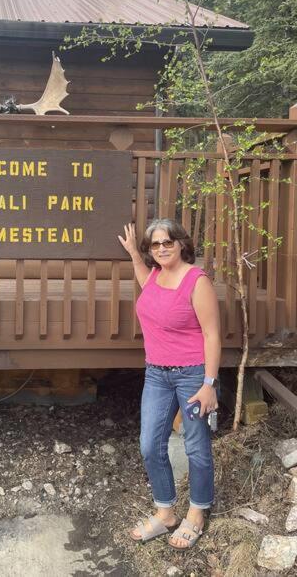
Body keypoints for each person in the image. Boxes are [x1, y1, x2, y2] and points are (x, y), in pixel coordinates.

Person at [118, 218, 220, 550]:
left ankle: (197, 512)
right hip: (157, 375)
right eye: (155, 244)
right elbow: (146, 283)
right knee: (150, 444)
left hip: (192, 375)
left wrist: (209, 384)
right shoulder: (156, 277)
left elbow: (212, 335)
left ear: (181, 244)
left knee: (196, 447)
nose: (161, 248)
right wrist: (134, 252)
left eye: (167, 242)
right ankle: (166, 513)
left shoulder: (197, 280)